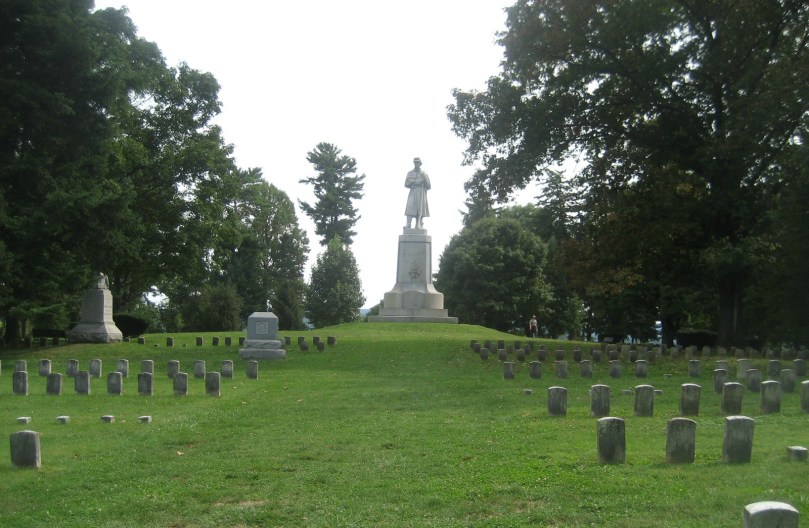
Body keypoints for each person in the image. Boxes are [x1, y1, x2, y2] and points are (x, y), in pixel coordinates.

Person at [404, 157, 430, 229]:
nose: (416, 163)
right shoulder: (410, 173)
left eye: (417, 162)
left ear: (420, 163)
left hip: (421, 193)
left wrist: (424, 178)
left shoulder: (424, 174)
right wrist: (415, 181)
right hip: (413, 192)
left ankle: (419, 224)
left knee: (420, 209)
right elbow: (406, 183)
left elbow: (429, 186)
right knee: (410, 207)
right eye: (415, 162)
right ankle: (408, 224)